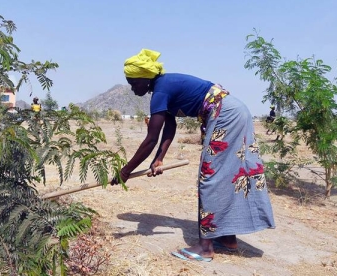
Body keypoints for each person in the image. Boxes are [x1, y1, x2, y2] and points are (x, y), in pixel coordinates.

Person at [111, 49, 275, 262]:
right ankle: (227, 238)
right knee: (223, 176)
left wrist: (125, 171)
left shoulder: (161, 90)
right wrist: (159, 159)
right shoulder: (164, 88)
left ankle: (205, 248)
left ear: (144, 77)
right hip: (232, 111)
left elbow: (150, 139)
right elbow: (169, 127)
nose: (133, 89)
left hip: (225, 114)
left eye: (134, 83)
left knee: (210, 177)